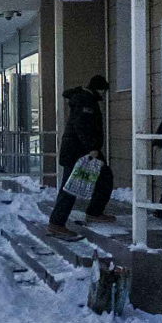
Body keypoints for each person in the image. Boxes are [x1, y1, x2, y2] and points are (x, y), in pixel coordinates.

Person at [47, 75, 115, 238]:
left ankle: (94, 212)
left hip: (81, 150)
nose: (104, 94)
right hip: (79, 152)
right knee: (70, 188)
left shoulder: (84, 99)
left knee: (104, 178)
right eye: (103, 90)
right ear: (98, 89)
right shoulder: (85, 101)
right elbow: (82, 126)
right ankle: (56, 223)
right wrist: (92, 148)